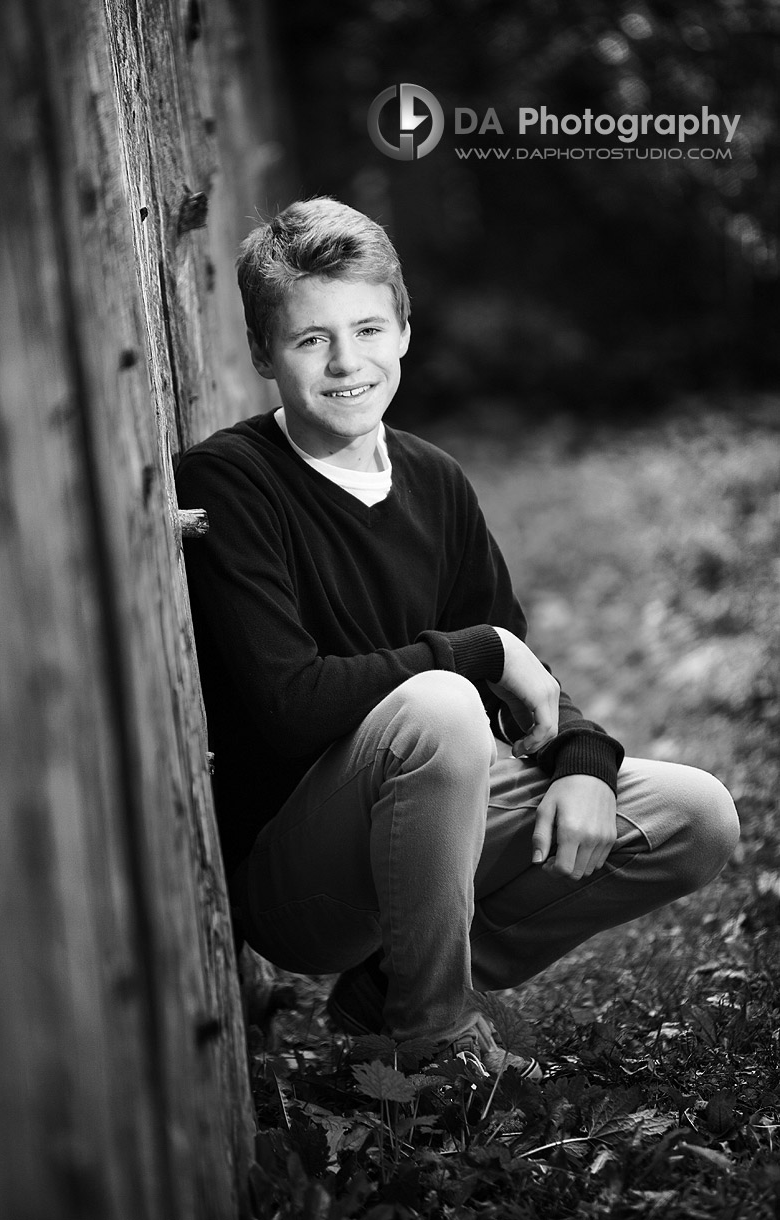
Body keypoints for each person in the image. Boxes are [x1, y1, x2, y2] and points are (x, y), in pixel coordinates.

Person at [175, 196, 739, 1073]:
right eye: (309, 339)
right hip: (301, 875)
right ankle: (431, 1035)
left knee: (694, 815)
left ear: (404, 328)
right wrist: (478, 653)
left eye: (367, 327)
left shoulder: (433, 479)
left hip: (432, 825)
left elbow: (519, 663)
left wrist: (582, 759)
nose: (346, 361)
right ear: (262, 354)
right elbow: (291, 706)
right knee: (441, 702)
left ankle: (387, 992)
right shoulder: (230, 483)